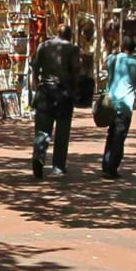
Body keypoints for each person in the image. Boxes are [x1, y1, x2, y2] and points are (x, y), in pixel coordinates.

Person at [30, 24, 80, 179]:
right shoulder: (72, 49)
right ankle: (58, 166)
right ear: (70, 35)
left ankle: (39, 157)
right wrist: (74, 89)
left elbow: (35, 68)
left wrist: (37, 82)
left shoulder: (43, 46)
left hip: (45, 91)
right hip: (63, 93)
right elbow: (75, 70)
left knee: (42, 129)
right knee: (62, 131)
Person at [102, 37, 136, 179]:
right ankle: (112, 166)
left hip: (110, 103)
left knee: (111, 134)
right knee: (119, 136)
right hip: (125, 105)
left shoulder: (112, 59)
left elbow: (106, 66)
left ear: (122, 45)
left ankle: (107, 163)